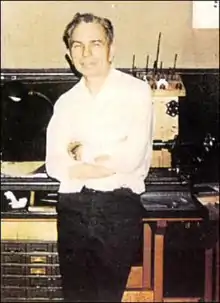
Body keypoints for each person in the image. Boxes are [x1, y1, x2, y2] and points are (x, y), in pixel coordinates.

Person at [45, 12, 154, 302]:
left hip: (116, 209)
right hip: (73, 210)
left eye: (95, 43)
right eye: (77, 45)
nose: (86, 53)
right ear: (69, 54)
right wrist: (101, 157)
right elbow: (55, 165)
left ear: (111, 48)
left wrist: (81, 153)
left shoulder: (136, 92)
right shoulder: (66, 103)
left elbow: (129, 159)